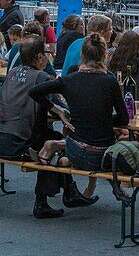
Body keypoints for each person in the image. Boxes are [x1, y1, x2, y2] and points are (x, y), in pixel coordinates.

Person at [0, 35, 95, 219]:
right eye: (46, 53)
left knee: (51, 137)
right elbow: (64, 108)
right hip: (17, 141)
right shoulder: (40, 77)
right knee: (53, 145)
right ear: (39, 56)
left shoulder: (12, 73)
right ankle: (42, 202)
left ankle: (70, 192)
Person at [29, 33, 128, 178]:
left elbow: (34, 91)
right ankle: (60, 154)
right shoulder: (110, 81)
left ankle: (59, 153)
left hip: (75, 149)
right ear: (105, 55)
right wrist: (103, 121)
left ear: (82, 54)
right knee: (122, 139)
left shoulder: (68, 80)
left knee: (72, 151)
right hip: (102, 155)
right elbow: (124, 119)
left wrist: (58, 110)